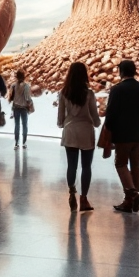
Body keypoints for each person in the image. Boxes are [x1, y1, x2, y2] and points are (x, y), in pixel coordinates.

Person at [102, 59, 139, 213]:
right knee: (136, 165)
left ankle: (133, 194)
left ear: (121, 71)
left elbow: (110, 113)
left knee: (120, 164)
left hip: (123, 134)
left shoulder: (117, 89)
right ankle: (129, 201)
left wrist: (109, 131)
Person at [58, 61, 100, 211]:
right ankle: (84, 199)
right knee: (86, 166)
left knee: (71, 165)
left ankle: (71, 192)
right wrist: (97, 122)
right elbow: (95, 118)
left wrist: (64, 124)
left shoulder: (63, 93)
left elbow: (60, 120)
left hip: (70, 131)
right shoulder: (89, 94)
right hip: (86, 132)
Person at [8, 69, 33, 149]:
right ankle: (24, 142)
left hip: (15, 108)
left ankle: (16, 142)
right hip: (24, 109)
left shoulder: (13, 85)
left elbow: (11, 97)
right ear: (24, 77)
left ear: (16, 76)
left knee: (17, 125)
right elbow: (27, 98)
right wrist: (31, 104)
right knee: (24, 125)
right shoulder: (26, 86)